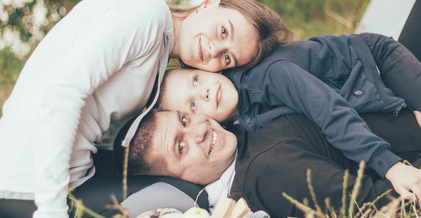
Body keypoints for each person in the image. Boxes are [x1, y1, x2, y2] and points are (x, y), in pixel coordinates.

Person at [0, 0, 291, 217]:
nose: (214, 49)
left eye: (227, 57)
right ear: (210, 3)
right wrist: (50, 210)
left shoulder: (159, 55)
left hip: (71, 178)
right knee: (184, 196)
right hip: (33, 187)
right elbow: (62, 91)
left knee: (186, 188)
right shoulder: (146, 14)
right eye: (223, 31)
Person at [158, 32, 421, 199]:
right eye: (191, 106)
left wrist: (389, 166)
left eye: (195, 79)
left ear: (207, 70)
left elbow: (329, 111)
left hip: (375, 58)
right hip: (359, 88)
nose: (203, 92)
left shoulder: (267, 77)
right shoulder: (240, 118)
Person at [114, 109, 421, 217]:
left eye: (185, 118)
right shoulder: (268, 173)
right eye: (181, 146)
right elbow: (385, 207)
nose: (199, 130)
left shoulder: (240, 126)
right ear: (180, 178)